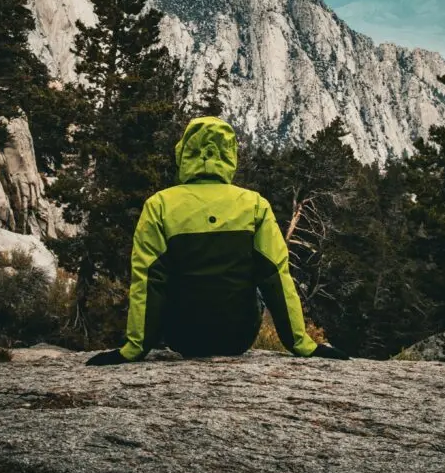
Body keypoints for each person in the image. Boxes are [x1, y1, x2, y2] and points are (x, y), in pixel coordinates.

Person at [86, 116, 349, 364]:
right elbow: (276, 277)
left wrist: (134, 348)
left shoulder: (159, 205)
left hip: (182, 337)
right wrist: (302, 344)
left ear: (183, 155)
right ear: (230, 157)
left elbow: (147, 280)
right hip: (238, 337)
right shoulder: (255, 205)